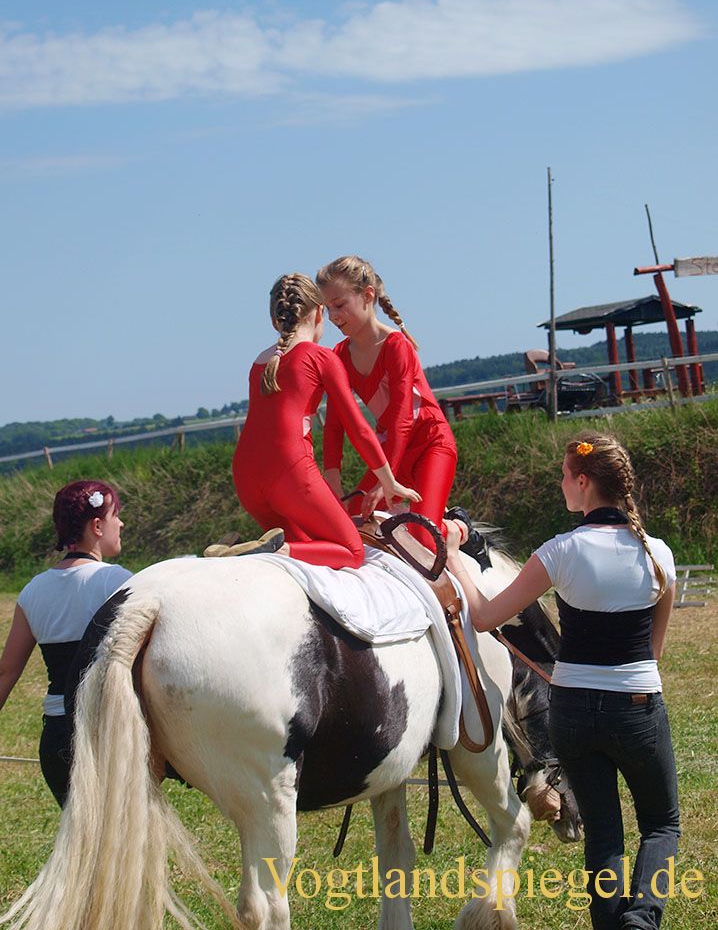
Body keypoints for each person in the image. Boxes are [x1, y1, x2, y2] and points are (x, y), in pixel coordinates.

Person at [444, 432, 679, 930]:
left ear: (584, 482)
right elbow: (653, 653)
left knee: (603, 832)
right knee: (661, 824)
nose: (561, 484)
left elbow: (485, 615)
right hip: (637, 703)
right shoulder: (659, 555)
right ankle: (642, 918)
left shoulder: (560, 551)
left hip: (572, 710)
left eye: (565, 476)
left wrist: (451, 558)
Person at [220, 272, 420, 566]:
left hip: (246, 477)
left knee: (306, 552)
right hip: (289, 471)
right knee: (352, 552)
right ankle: (274, 551)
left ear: (275, 320)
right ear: (319, 313)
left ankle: (261, 551)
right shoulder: (320, 356)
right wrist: (389, 482)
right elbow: (359, 429)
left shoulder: (259, 363)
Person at [0, 481, 131, 808]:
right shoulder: (118, 582)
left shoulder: (32, 591)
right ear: (97, 526)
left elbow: (4, 673)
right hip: (107, 733)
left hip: (56, 740)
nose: (121, 523)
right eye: (116, 515)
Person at [316, 255, 459, 550]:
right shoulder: (340, 354)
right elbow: (334, 423)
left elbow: (402, 419)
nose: (333, 316)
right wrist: (332, 474)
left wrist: (386, 481)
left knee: (423, 539)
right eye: (328, 308)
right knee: (353, 524)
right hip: (392, 451)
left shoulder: (396, 346)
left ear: (368, 296)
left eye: (340, 305)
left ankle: (458, 527)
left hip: (431, 445)